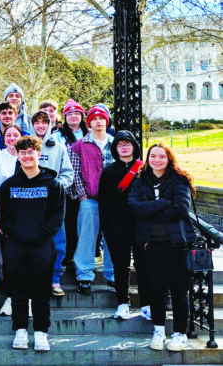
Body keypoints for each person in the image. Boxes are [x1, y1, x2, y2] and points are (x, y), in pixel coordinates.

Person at [0, 136, 65, 352]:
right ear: (18, 155)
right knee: (17, 290)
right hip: (15, 245)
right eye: (22, 152)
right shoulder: (9, 185)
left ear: (38, 154)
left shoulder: (53, 185)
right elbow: (2, 214)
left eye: (30, 152)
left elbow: (57, 215)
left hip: (42, 245)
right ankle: (20, 331)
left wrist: (40, 234)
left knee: (41, 291)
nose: (27, 156)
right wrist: (13, 233)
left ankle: (42, 332)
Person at [129, 143, 194, 352]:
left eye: (161, 157)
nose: (157, 160)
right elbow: (134, 207)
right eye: (153, 156)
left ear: (169, 159)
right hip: (151, 244)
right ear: (148, 159)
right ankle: (158, 330)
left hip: (176, 245)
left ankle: (179, 333)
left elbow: (181, 209)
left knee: (178, 289)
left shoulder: (179, 181)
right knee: (156, 288)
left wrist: (151, 209)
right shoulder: (141, 181)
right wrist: (163, 203)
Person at [98, 130, 151, 320]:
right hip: (116, 226)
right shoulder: (109, 172)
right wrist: (106, 227)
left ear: (135, 147)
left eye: (128, 143)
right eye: (120, 144)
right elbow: (103, 202)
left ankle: (146, 304)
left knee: (143, 265)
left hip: (140, 225)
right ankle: (123, 302)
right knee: (120, 266)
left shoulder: (144, 170)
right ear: (115, 148)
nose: (124, 147)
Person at [69, 105, 115, 296]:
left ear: (107, 121)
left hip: (113, 200)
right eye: (94, 119)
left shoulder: (116, 143)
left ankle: (113, 275)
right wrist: (82, 195)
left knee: (113, 239)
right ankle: (85, 275)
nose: (98, 121)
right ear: (88, 122)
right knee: (86, 237)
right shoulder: (80, 145)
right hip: (90, 198)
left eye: (101, 118)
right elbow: (74, 173)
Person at [31, 110, 74, 296]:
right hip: (30, 203)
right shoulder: (25, 145)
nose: (40, 126)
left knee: (57, 241)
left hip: (54, 203)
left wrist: (56, 187)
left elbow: (68, 174)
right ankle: (36, 278)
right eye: (37, 122)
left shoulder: (58, 147)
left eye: (44, 122)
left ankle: (55, 279)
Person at [0, 124, 23, 317]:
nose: (11, 138)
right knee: (9, 259)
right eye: (8, 135)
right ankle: (11, 297)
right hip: (5, 216)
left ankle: (26, 298)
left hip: (27, 217)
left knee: (26, 259)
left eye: (15, 135)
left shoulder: (27, 156)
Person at [54, 99, 88, 268]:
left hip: (85, 184)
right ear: (64, 117)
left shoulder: (88, 134)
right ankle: (66, 255)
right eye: (70, 114)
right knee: (67, 221)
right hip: (65, 184)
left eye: (77, 113)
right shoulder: (57, 135)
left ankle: (80, 255)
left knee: (82, 222)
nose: (74, 117)